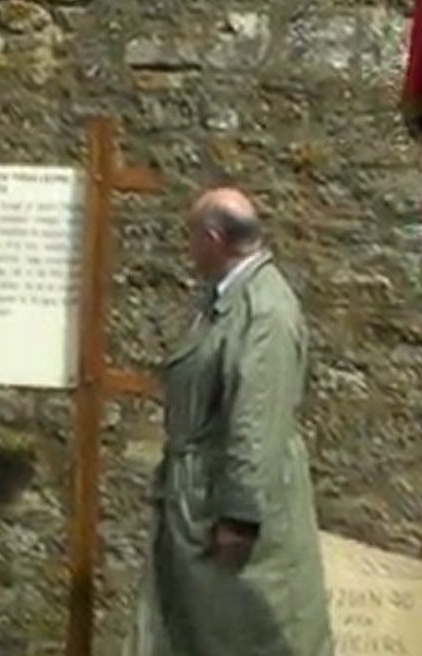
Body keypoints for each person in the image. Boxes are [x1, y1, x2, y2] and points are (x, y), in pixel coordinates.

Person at [125, 188, 333, 656]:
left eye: (192, 236)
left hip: (224, 508)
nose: (188, 247)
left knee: (249, 638)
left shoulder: (265, 312)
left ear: (213, 238)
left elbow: (255, 418)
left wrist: (238, 515)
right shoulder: (227, 300)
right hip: (199, 500)